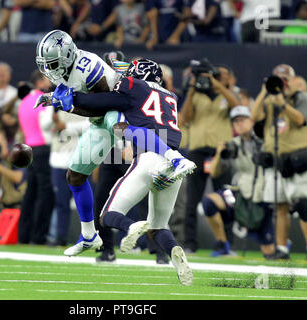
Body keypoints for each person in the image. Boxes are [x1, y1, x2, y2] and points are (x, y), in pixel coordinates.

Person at [35, 30, 193, 256]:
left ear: (68, 55)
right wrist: (54, 98)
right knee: (75, 175)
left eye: (53, 63)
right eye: (47, 64)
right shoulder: (62, 70)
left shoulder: (88, 66)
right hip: (98, 119)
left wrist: (69, 105)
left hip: (116, 109)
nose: (50, 69)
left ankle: (173, 157)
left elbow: (102, 103)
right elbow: (79, 100)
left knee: (121, 128)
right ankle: (89, 236)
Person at [52, 59, 194, 286]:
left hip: (148, 158)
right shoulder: (171, 97)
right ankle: (174, 250)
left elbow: (103, 100)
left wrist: (68, 100)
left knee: (107, 215)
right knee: (159, 227)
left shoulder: (134, 86)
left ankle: (131, 226)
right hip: (170, 161)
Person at [251, 64, 307, 261]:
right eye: (278, 80)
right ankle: (282, 248)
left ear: (292, 80)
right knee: (280, 206)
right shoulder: (269, 100)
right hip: (276, 159)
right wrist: (265, 92)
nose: (283, 84)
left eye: (285, 80)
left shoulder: (302, 97)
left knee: (303, 204)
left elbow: (300, 120)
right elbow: (254, 118)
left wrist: (283, 103)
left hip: (298, 158)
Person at [179, 59, 239, 253]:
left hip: (221, 151)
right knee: (192, 199)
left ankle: (226, 242)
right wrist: (191, 89)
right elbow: (185, 118)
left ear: (228, 78)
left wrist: (218, 85)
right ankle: (190, 243)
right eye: (215, 74)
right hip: (197, 150)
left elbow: (237, 108)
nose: (216, 77)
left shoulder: (230, 94)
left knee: (226, 197)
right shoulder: (196, 94)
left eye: (221, 75)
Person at [201, 106, 275, 258]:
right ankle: (222, 244)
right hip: (239, 194)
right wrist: (219, 152)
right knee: (209, 202)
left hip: (263, 196)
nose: (239, 124)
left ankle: (281, 243)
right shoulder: (232, 145)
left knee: (269, 252)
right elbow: (214, 173)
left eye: (242, 120)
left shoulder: (264, 141)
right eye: (235, 121)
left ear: (251, 121)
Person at [39, 95, 90, 246]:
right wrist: (52, 115)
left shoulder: (82, 101)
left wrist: (66, 127)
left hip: (80, 159)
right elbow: (44, 125)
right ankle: (60, 237)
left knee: (84, 203)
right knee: (61, 203)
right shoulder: (54, 101)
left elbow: (90, 124)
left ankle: (88, 237)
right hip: (58, 159)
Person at [17, 70, 55, 244]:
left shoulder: (24, 101)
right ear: (40, 82)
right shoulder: (45, 100)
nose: (51, 82)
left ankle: (23, 235)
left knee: (30, 193)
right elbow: (48, 125)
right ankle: (39, 236)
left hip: (28, 148)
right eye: (48, 79)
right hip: (42, 149)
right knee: (45, 194)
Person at [0, 62, 17, 129]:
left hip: (7, 131)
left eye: (5, 71)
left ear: (10, 76)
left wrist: (13, 119)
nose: (2, 73)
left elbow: (19, 114)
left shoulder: (14, 93)